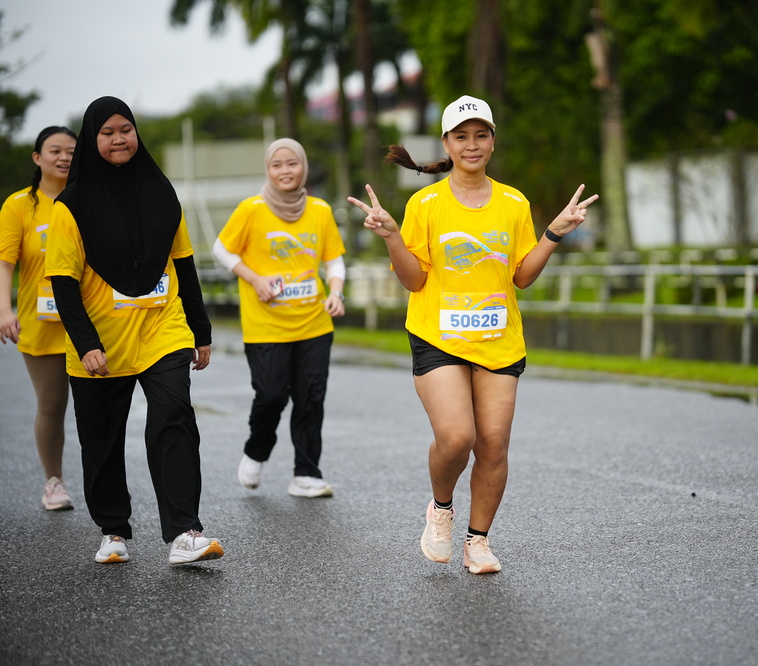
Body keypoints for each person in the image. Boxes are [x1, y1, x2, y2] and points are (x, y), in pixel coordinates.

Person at [347, 95, 597, 574]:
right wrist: (393, 237)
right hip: (437, 336)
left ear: (493, 141)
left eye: (481, 135)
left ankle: (477, 541)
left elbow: (521, 277)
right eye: (461, 136)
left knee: (494, 444)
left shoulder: (513, 202)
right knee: (457, 436)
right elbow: (414, 281)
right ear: (446, 143)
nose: (472, 144)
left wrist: (554, 233)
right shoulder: (425, 204)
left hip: (499, 339)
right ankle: (441, 508)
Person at [45, 96, 223, 566]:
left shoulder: (162, 193)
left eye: (126, 129)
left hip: (163, 328)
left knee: (174, 418)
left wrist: (200, 331)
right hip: (101, 342)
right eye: (107, 133)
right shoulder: (70, 207)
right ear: (92, 140)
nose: (119, 139)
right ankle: (113, 530)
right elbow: (63, 284)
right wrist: (86, 343)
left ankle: (185, 532)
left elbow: (184, 265)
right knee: (101, 441)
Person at [213, 138, 346, 498]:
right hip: (266, 325)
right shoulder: (252, 209)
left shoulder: (319, 210)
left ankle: (306, 473)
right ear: (268, 170)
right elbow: (221, 249)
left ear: (303, 166)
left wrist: (335, 293)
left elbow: (333, 259)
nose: (285, 171)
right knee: (271, 395)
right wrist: (254, 279)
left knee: (311, 398)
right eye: (277, 165)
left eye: (292, 163)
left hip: (314, 323)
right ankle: (256, 450)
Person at [0, 126, 77, 511]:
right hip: (42, 321)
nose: (64, 157)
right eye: (55, 150)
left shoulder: (87, 198)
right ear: (37, 157)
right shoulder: (19, 205)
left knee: (101, 407)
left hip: (92, 321)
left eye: (71, 151)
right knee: (52, 403)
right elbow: (5, 262)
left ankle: (107, 485)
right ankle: (54, 482)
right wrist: (4, 309)